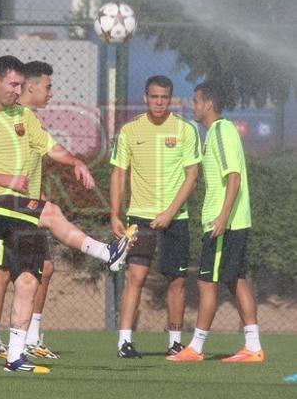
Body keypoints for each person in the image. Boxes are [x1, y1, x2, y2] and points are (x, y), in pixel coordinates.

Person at [0, 55, 137, 373]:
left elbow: (50, 147)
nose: (17, 90)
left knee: (28, 280)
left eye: (20, 85)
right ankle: (106, 252)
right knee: (50, 211)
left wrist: (76, 161)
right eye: (13, 84)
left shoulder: (22, 115)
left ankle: (14, 358)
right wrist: (6, 180)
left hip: (21, 212)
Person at [167, 81, 263, 362]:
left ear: (208, 104)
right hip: (230, 221)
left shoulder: (221, 130)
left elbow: (234, 176)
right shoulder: (216, 133)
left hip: (225, 224)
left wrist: (222, 217)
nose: (192, 106)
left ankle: (196, 348)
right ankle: (253, 347)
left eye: (195, 101)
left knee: (206, 283)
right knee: (236, 281)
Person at [109, 75, 201, 358]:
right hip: (139, 215)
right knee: (135, 276)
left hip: (176, 217)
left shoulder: (186, 129)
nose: (159, 102)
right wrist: (115, 214)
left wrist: (170, 212)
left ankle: (174, 342)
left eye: (164, 97)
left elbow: (192, 176)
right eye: (154, 96)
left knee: (176, 280)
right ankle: (124, 341)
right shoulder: (129, 130)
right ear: (145, 97)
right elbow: (118, 173)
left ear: (171, 98)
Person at [0, 61, 59, 360]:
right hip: (8, 208)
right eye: (48, 86)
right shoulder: (7, 115)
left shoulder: (27, 118)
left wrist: (40, 200)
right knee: (2, 271)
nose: (51, 92)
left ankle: (30, 338)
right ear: (31, 86)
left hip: (29, 208)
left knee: (44, 269)